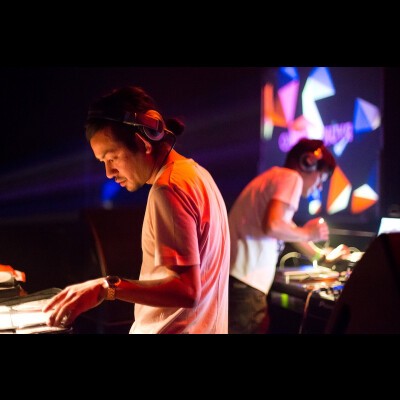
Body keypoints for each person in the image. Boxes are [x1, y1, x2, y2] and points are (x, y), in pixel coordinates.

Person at [43, 86, 230, 334]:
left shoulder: (168, 189)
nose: (109, 172)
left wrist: (108, 288)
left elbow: (187, 290)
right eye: (103, 162)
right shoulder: (198, 175)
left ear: (143, 142)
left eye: (112, 157)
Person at [228, 138, 349, 334]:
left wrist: (320, 256)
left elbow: (285, 227)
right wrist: (310, 232)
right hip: (246, 285)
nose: (320, 186)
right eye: (321, 178)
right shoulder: (291, 178)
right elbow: (273, 226)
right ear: (307, 163)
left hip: (238, 281)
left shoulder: (273, 177)